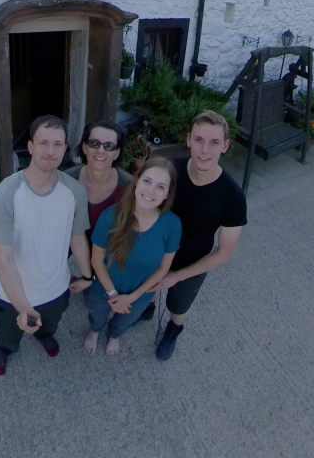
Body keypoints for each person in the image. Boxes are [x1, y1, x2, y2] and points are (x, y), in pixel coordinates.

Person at [0, 115, 94, 375]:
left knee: (49, 325)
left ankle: (44, 335)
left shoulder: (75, 191)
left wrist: (88, 276)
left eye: (58, 144)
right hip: (12, 295)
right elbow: (4, 259)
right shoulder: (7, 193)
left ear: (65, 149)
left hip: (56, 288)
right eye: (44, 143)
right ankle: (5, 349)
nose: (51, 150)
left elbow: (77, 237)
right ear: (31, 147)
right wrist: (23, 307)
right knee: (8, 332)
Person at [153, 110, 246, 361]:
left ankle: (174, 329)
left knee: (178, 306)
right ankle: (145, 308)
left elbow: (224, 252)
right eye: (199, 140)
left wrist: (176, 276)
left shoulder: (233, 197)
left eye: (214, 142)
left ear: (225, 146)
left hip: (191, 264)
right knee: (147, 289)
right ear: (188, 140)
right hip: (156, 251)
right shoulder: (171, 170)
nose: (205, 150)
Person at [83, 157, 181, 356]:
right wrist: (113, 295)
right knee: (97, 314)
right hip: (105, 286)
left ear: (167, 195)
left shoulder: (172, 225)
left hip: (140, 292)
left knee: (125, 320)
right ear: (136, 181)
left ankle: (115, 335)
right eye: (147, 181)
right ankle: (94, 331)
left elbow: (163, 268)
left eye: (160, 187)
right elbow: (96, 260)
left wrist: (132, 298)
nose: (151, 191)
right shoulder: (111, 216)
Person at [64, 120, 132, 241]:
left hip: (112, 255)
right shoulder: (66, 181)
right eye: (94, 143)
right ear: (84, 147)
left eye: (109, 146)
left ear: (117, 153)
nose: (101, 150)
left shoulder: (129, 186)